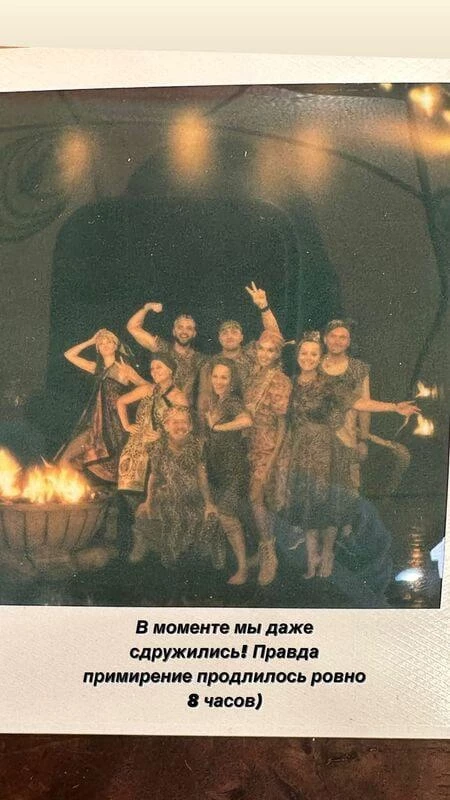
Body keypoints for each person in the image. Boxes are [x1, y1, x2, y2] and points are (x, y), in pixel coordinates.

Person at [276, 332, 420, 580]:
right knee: (307, 504)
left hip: (325, 450)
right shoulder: (291, 383)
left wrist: (394, 407)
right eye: (304, 353)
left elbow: (359, 403)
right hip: (300, 450)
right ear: (297, 356)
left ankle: (327, 554)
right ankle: (312, 558)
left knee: (328, 505)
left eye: (313, 354)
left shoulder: (328, 385)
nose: (308, 358)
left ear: (319, 357)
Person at [130, 408, 226, 575]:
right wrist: (148, 501)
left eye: (184, 422)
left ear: (190, 426)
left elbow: (202, 476)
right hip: (169, 493)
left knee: (209, 515)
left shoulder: (197, 445)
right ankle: (168, 555)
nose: (180, 426)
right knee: (164, 515)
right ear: (166, 426)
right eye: (175, 422)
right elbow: (154, 476)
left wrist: (208, 503)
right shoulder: (157, 447)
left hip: (193, 493)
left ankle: (202, 553)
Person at [59, 329, 145, 482]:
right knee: (67, 458)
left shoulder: (124, 368)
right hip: (96, 424)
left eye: (109, 342)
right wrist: (91, 341)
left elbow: (146, 387)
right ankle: (73, 490)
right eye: (101, 343)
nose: (105, 345)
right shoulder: (96, 368)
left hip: (116, 425)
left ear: (115, 345)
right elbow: (69, 355)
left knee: (115, 468)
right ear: (97, 348)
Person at [197, 282, 283, 429]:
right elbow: (203, 398)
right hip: (222, 421)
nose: (229, 336)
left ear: (242, 337)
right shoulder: (211, 363)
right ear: (219, 338)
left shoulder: (253, 352)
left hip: (255, 421)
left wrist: (264, 307)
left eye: (234, 332)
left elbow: (274, 337)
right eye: (224, 333)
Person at [245, 329, 292, 586]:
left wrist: (273, 460)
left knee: (257, 496)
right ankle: (265, 548)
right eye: (261, 349)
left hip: (271, 447)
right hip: (252, 445)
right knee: (260, 500)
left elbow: (283, 425)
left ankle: (269, 552)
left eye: (270, 350)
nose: (265, 354)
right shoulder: (254, 376)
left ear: (277, 355)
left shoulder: (280, 381)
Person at [203, 357, 253, 585]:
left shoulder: (232, 401)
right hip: (218, 469)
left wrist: (218, 426)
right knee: (225, 517)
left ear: (232, 380)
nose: (219, 381)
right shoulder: (217, 401)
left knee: (227, 517)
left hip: (234, 469)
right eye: (215, 376)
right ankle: (237, 563)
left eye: (224, 377)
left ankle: (243, 570)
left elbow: (247, 420)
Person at [116, 354, 188, 493]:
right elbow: (121, 401)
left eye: (159, 367)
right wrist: (127, 426)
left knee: (152, 492)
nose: (154, 371)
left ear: (170, 370)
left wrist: (162, 436)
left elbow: (183, 428)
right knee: (127, 492)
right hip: (135, 447)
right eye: (152, 368)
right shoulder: (147, 389)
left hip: (162, 447)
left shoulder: (179, 397)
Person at [320, 319, 371, 492]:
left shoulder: (358, 369)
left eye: (343, 337)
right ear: (325, 339)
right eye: (333, 336)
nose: (337, 341)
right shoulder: (313, 363)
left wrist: (363, 439)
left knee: (347, 489)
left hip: (346, 438)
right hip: (317, 440)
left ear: (349, 342)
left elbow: (365, 406)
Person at [126, 302, 205, 404]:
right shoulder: (162, 348)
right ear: (174, 331)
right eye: (180, 327)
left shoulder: (200, 359)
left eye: (189, 328)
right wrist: (147, 308)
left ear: (194, 333)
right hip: (157, 406)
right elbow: (132, 327)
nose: (184, 332)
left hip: (182, 410)